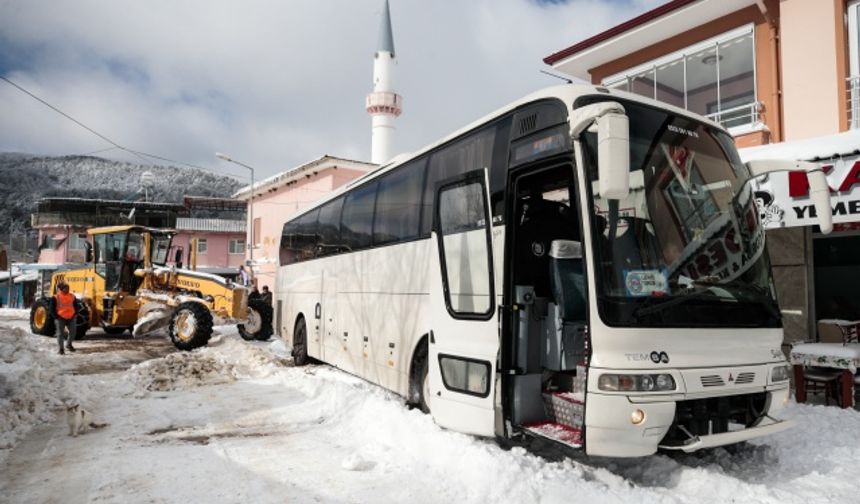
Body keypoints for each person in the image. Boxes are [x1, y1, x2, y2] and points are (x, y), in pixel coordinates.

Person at [50, 282, 83, 355]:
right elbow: (51, 309)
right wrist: (56, 317)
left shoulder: (72, 296)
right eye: (65, 288)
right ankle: (61, 349)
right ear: (61, 289)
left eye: (68, 288)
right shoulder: (56, 297)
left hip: (71, 317)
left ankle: (68, 344)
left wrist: (75, 314)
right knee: (60, 334)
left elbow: (75, 306)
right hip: (60, 317)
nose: (67, 289)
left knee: (73, 332)